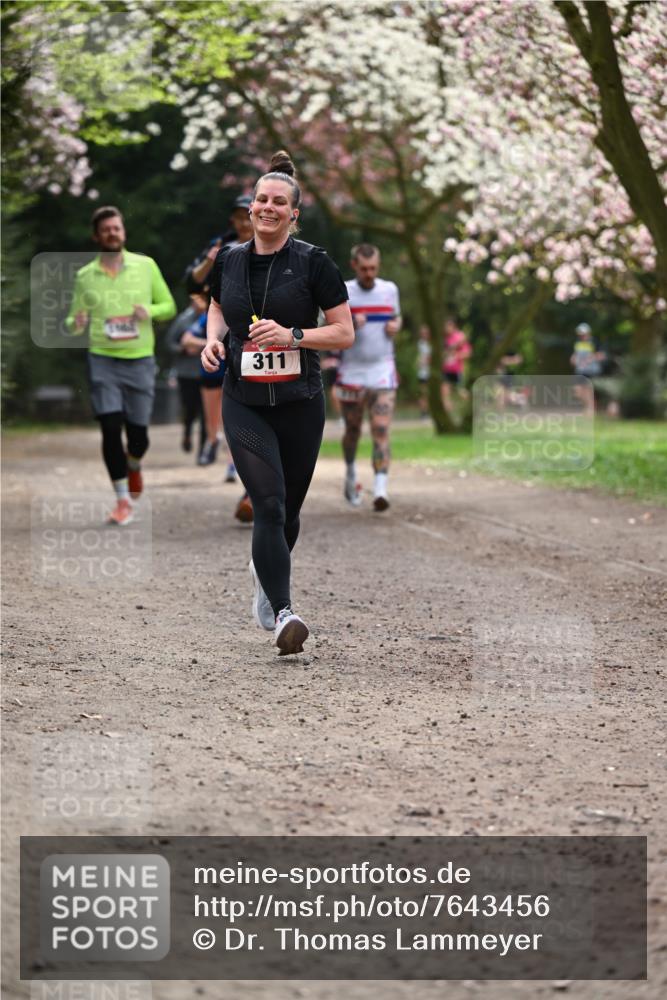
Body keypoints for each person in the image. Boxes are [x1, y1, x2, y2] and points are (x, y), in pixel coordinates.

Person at [202, 150, 354, 655]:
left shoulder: (315, 262)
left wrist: (293, 335)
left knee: (288, 512)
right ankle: (285, 611)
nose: (267, 207)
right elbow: (217, 306)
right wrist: (212, 340)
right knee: (266, 503)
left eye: (278, 202)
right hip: (244, 400)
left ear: (293, 213)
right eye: (260, 200)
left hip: (300, 400)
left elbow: (343, 332)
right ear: (251, 209)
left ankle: (265, 573)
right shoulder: (228, 260)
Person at [66, 206, 176, 525]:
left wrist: (150, 313)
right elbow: (72, 320)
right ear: (96, 236)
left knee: (139, 436)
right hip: (102, 359)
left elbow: (168, 306)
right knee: (110, 426)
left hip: (140, 359)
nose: (113, 233)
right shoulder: (85, 276)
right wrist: (78, 321)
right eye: (106, 230)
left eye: (117, 228)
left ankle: (134, 463)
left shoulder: (146, 266)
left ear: (123, 231)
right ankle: (122, 499)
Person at [186, 196, 254, 508]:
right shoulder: (221, 245)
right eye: (238, 217)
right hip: (218, 317)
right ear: (232, 220)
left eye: (247, 216)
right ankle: (213, 438)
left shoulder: (270, 241)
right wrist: (210, 261)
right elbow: (192, 281)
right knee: (217, 381)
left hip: (254, 324)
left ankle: (240, 465)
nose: (243, 223)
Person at [335, 243, 401, 511]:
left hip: (382, 368)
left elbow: (396, 318)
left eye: (373, 268)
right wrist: (349, 323)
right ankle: (351, 474)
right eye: (364, 269)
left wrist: (396, 326)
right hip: (351, 370)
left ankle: (381, 490)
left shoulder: (389, 290)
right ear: (354, 266)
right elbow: (324, 327)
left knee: (381, 429)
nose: (369, 274)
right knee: (353, 431)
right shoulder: (344, 292)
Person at [166, 294, 206, 455]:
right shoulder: (183, 320)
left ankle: (204, 448)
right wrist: (183, 350)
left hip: (206, 371)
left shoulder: (210, 318)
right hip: (186, 373)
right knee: (190, 408)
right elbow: (169, 342)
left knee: (206, 411)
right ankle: (187, 434)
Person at [571, 322, 605, 415]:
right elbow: (575, 355)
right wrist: (573, 358)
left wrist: (591, 358)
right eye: (580, 334)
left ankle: (590, 410)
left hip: (592, 371)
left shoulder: (595, 342)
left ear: (588, 333)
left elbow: (602, 355)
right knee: (577, 391)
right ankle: (588, 407)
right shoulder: (577, 343)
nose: (582, 336)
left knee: (589, 390)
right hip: (580, 370)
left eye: (583, 334)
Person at [440, 318, 471, 419]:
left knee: (460, 392)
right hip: (447, 370)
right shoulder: (447, 339)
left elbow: (468, 353)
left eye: (448, 327)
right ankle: (448, 414)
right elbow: (445, 354)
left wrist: (456, 356)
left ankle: (471, 404)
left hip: (457, 370)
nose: (446, 329)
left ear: (453, 326)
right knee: (444, 391)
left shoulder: (460, 337)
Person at [416, 324, 432, 418]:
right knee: (423, 393)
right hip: (422, 373)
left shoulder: (432, 344)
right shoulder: (420, 343)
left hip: (431, 372)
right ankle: (424, 413)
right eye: (422, 333)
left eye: (425, 333)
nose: (424, 335)